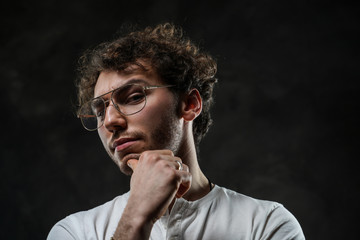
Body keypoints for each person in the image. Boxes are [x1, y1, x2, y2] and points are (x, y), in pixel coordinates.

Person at [47, 23, 305, 240]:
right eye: (100, 111)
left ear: (190, 104)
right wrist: (138, 217)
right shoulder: (75, 232)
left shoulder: (266, 225)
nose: (110, 120)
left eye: (134, 97)